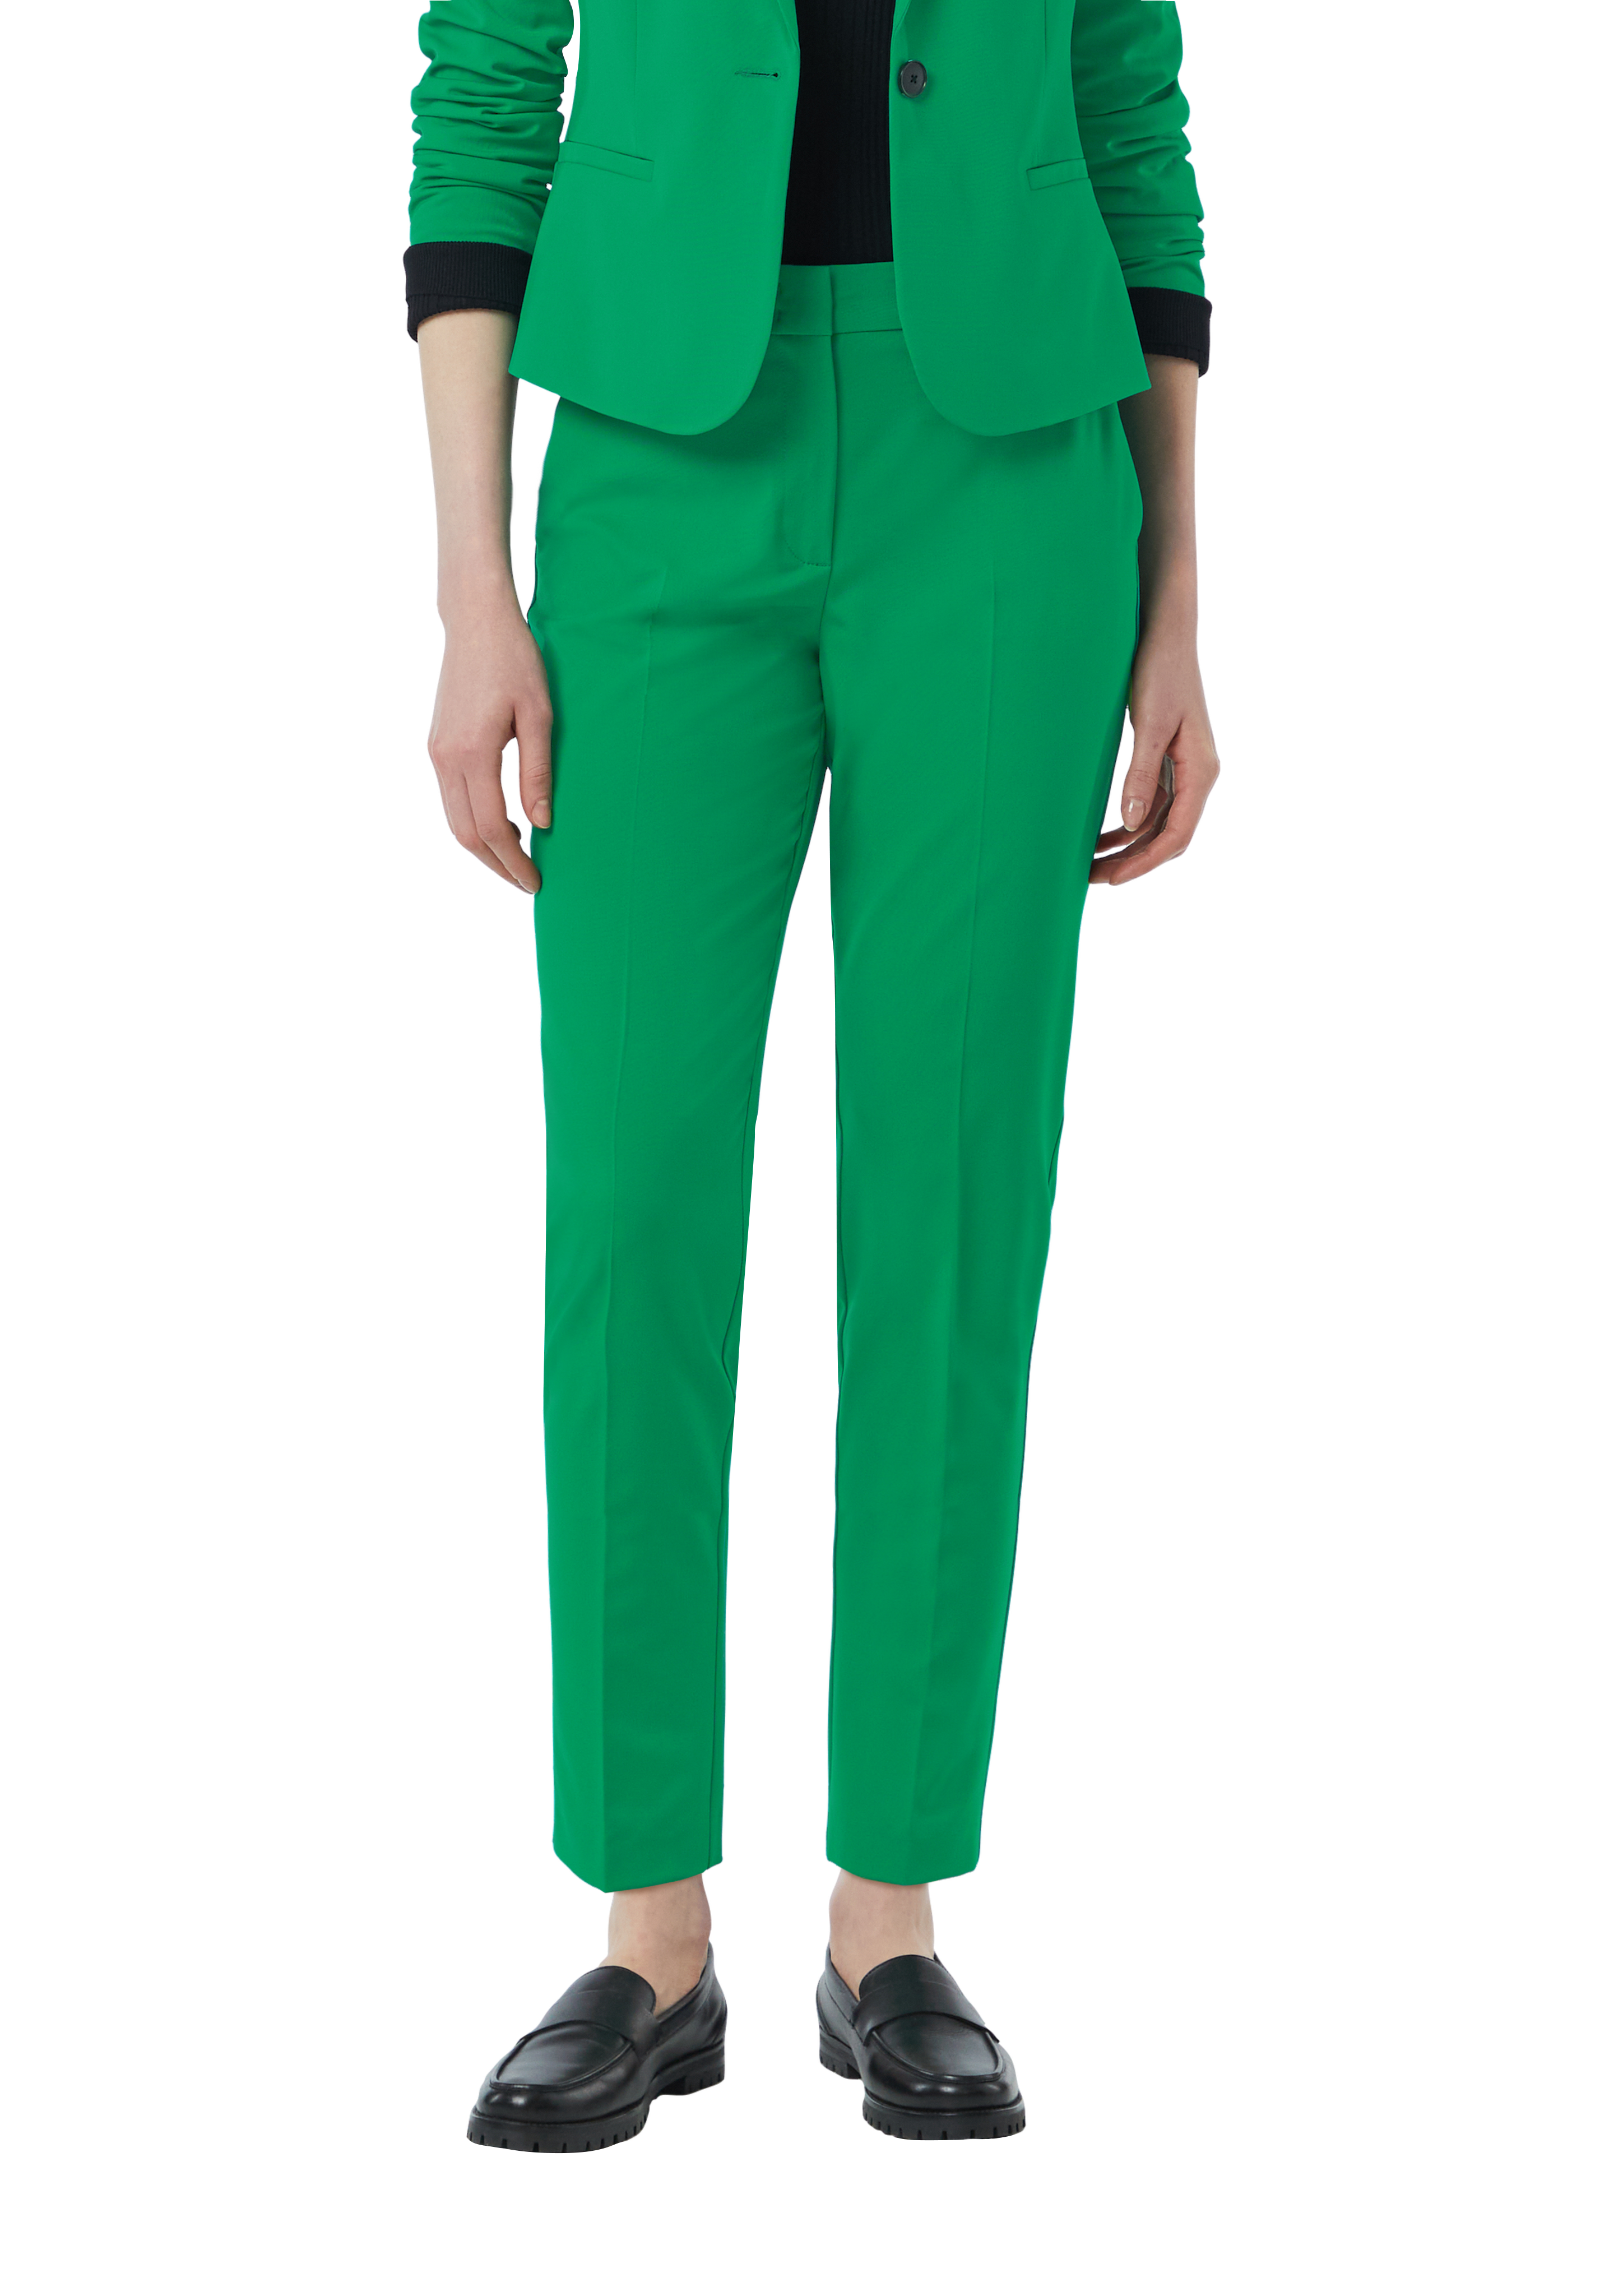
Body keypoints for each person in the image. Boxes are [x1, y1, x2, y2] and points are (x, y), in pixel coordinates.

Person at [406, 0, 1218, 2150]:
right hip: (657, 458)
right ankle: (647, 1928)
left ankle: (891, 1917)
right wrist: (474, 595)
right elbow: (481, 95)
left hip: (1010, 475)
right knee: (633, 1193)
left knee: (950, 1193)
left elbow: (1131, 110)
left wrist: (1176, 601)